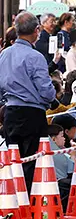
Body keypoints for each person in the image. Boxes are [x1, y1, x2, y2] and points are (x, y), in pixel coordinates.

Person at [0, 12, 58, 189]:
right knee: (32, 162)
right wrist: (51, 98)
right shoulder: (35, 57)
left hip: (10, 112)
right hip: (32, 113)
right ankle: (28, 199)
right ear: (36, 30)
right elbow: (46, 91)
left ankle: (12, 198)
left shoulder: (4, 55)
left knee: (13, 161)